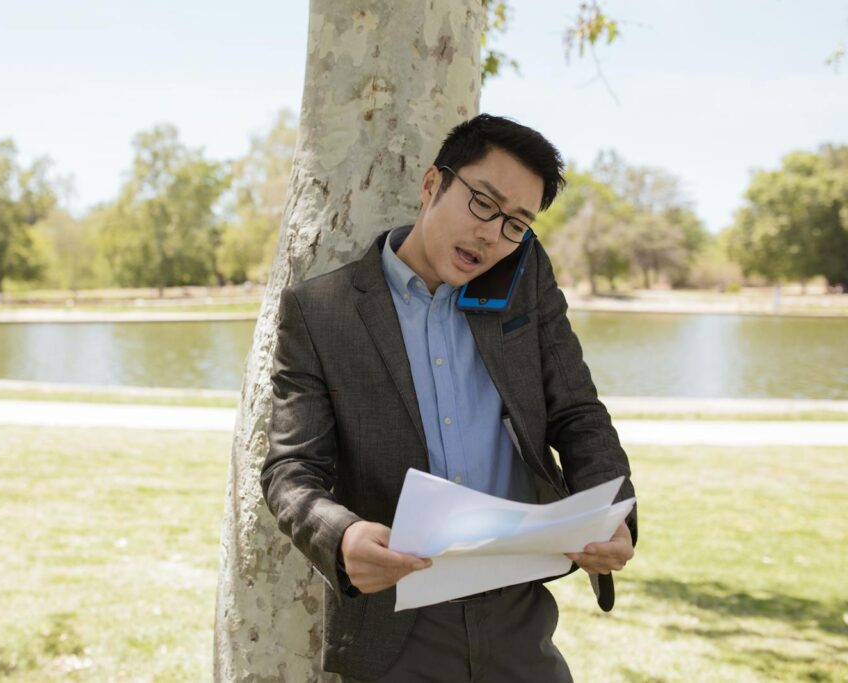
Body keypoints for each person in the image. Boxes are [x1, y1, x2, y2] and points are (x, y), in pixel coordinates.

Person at [261, 114, 637, 682]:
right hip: (395, 624)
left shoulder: (522, 279)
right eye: (483, 204)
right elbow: (291, 470)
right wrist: (341, 537)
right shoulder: (321, 312)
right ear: (433, 185)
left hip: (518, 608)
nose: (493, 234)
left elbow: (578, 412)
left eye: (516, 223)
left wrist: (614, 512)